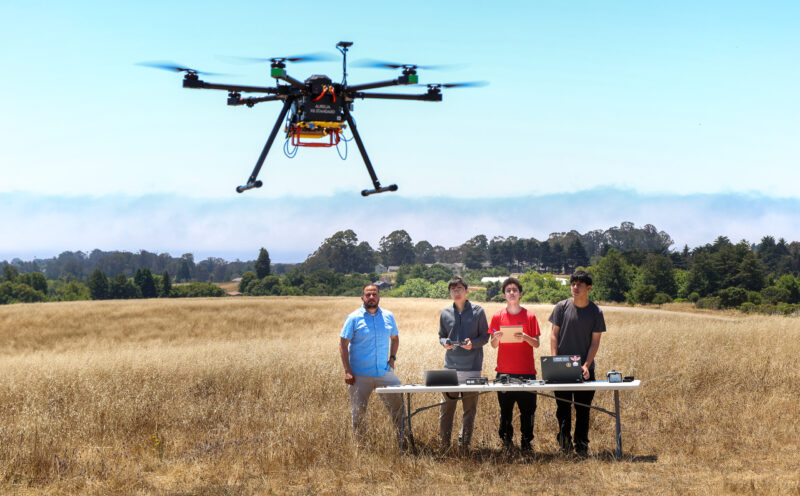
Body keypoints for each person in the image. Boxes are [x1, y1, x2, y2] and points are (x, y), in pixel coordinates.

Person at [549, 270, 606, 456]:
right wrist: (554, 360)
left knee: (583, 410)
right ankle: (564, 445)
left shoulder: (596, 312)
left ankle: (582, 446)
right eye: (573, 284)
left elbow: (595, 342)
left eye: (579, 285)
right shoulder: (561, 307)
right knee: (562, 409)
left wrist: (586, 365)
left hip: (585, 370)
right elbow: (554, 335)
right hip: (562, 368)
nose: (575, 287)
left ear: (588, 288)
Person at [339, 284, 404, 447]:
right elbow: (342, 344)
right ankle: (361, 448)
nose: (371, 297)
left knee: (399, 409)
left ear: (379, 296)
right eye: (368, 295)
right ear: (362, 298)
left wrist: (392, 359)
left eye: (374, 294)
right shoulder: (353, 318)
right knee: (358, 414)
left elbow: (395, 338)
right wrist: (347, 371)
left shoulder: (388, 316)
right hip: (359, 375)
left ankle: (404, 443)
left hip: (384, 373)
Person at [438, 276, 490, 452]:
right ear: (450, 293)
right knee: (446, 410)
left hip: (472, 368)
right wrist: (444, 343)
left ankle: (464, 446)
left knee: (469, 411)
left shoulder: (478, 311)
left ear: (466, 291)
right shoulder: (445, 313)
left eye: (459, 288)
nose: (456, 292)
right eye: (453, 289)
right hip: (450, 369)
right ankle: (444, 446)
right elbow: (441, 336)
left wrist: (472, 344)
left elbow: (485, 336)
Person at [489, 277, 540, 451]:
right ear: (504, 295)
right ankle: (506, 442)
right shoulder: (497, 316)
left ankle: (526, 442)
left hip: (527, 372)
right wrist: (496, 338)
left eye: (515, 290)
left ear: (520, 294)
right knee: (505, 411)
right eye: (508, 290)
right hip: (504, 373)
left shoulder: (530, 316)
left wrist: (525, 337)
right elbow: (493, 345)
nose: (511, 293)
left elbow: (537, 344)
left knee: (528, 411)